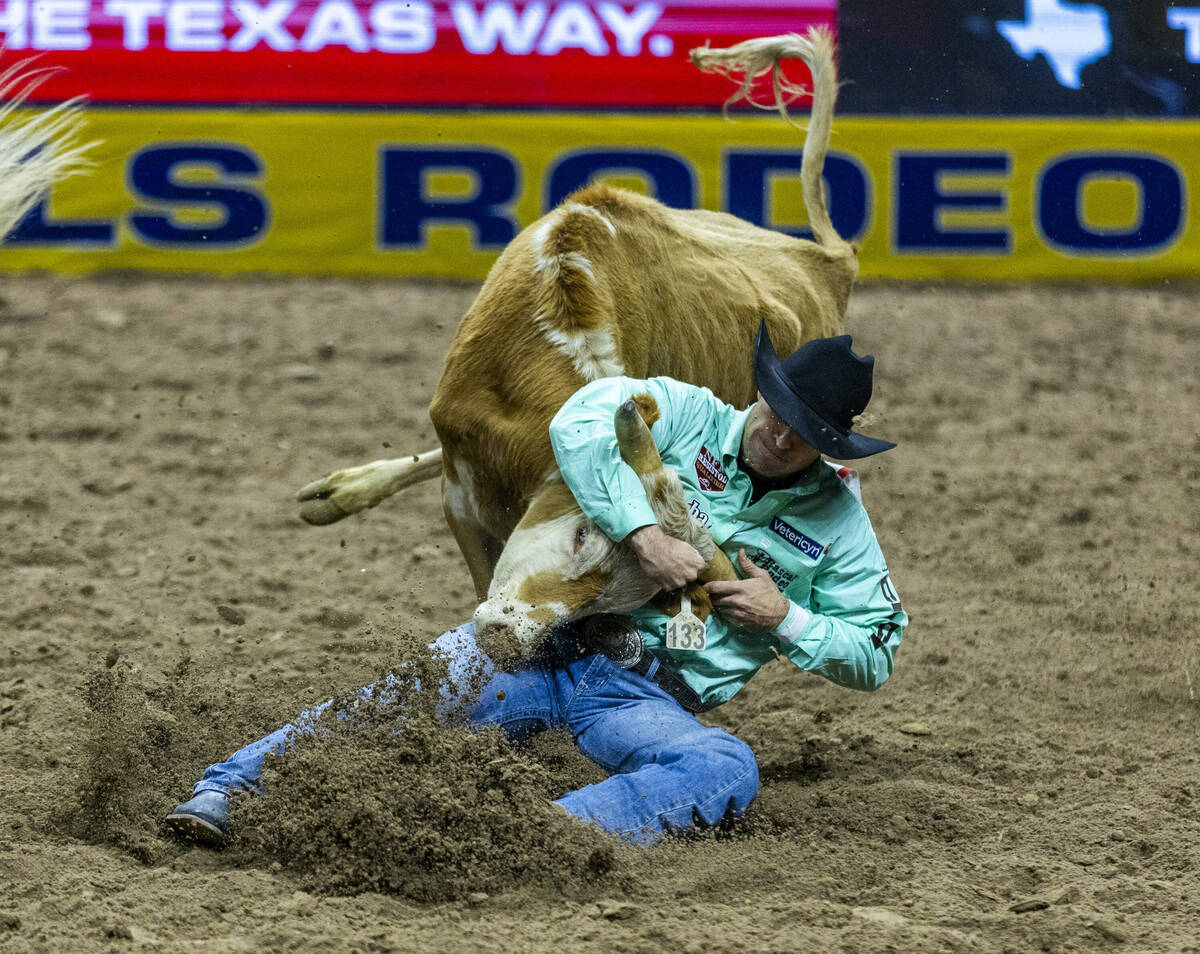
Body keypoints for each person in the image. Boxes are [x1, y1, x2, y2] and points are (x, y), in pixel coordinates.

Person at [166, 322, 907, 846]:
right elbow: (582, 418)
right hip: (546, 642)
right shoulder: (681, 412)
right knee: (407, 693)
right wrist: (642, 536)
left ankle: (542, 837)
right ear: (763, 389)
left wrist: (788, 618)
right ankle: (230, 788)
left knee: (723, 766)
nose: (782, 434)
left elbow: (876, 649)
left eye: (806, 430)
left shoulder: (838, 522)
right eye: (780, 409)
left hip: (645, 693)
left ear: (832, 444)